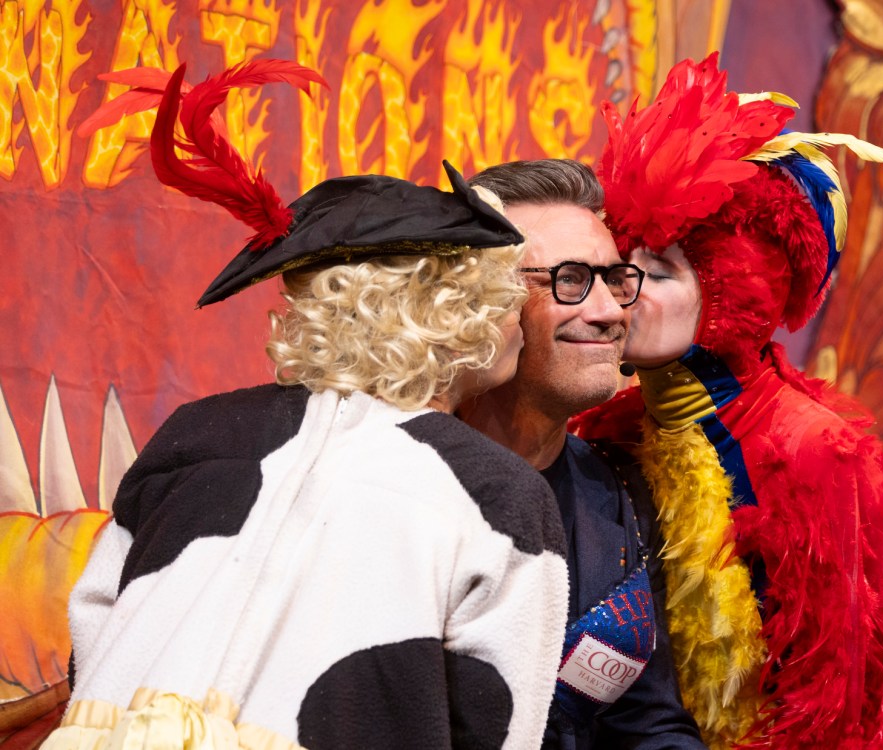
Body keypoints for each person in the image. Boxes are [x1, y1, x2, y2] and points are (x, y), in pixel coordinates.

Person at [45, 61, 568, 750]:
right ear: (456, 317)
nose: (518, 323)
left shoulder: (199, 428)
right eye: (504, 302)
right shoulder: (499, 494)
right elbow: (499, 721)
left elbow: (95, 625)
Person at [575, 54, 883, 749]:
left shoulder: (809, 451)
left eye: (662, 270)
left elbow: (840, 707)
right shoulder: (613, 430)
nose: (624, 288)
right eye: (625, 259)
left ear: (731, 291)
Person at [458, 159, 706, 750]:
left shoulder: (615, 495)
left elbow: (648, 724)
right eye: (569, 279)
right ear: (480, 303)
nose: (610, 311)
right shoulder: (399, 482)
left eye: (615, 279)